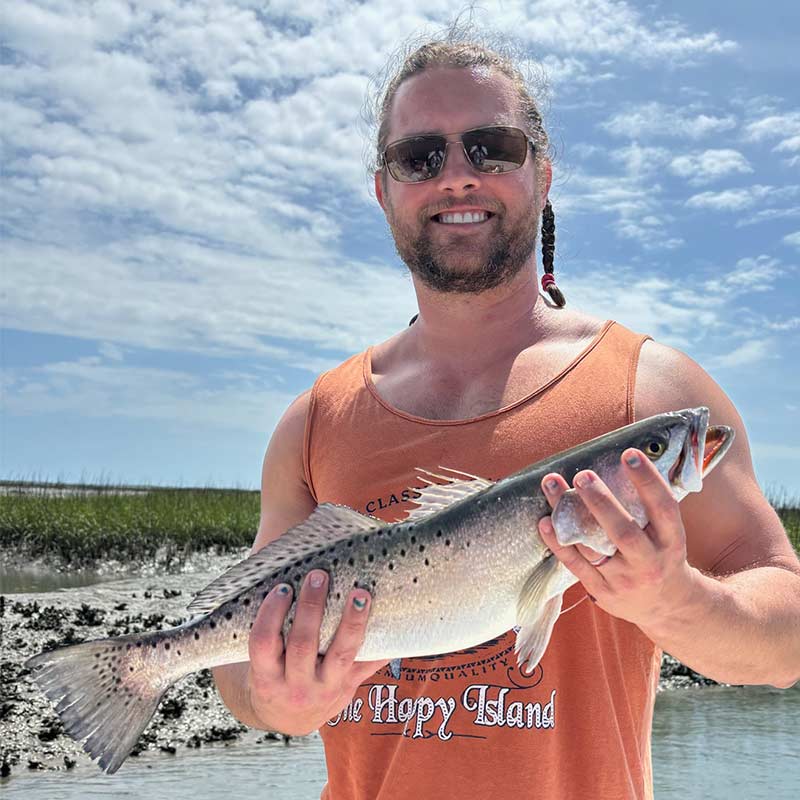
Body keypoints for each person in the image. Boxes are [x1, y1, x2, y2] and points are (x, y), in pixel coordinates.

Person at [212, 31, 800, 800]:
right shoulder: (313, 420)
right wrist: (271, 699)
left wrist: (677, 601)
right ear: (383, 189)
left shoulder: (653, 390)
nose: (457, 176)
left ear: (543, 172)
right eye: (420, 157)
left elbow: (786, 639)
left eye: (492, 147)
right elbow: (231, 654)